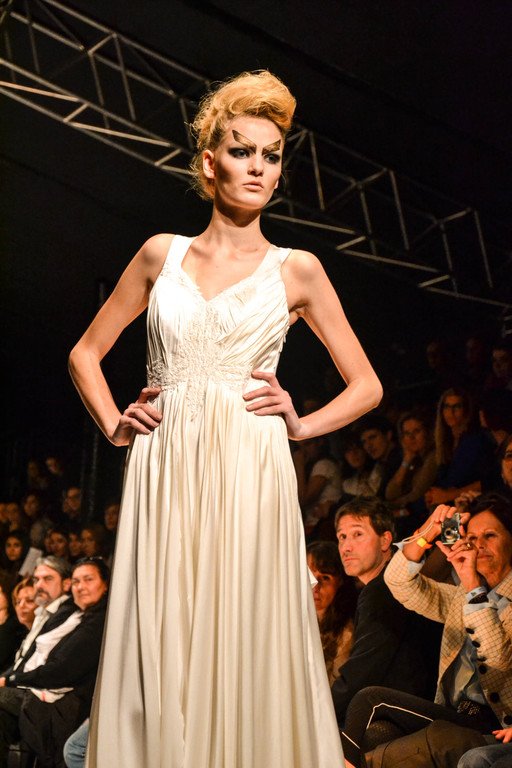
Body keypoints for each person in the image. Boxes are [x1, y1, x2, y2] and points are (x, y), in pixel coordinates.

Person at [68, 70, 382, 768]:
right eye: (243, 151)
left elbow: (367, 385)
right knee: (163, 632)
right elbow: (84, 354)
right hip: (165, 462)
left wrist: (301, 424)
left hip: (249, 463)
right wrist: (114, 425)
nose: (259, 168)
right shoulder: (161, 254)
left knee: (242, 627)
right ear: (210, 164)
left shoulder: (297, 269)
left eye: (271, 155)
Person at [341, 493, 512, 768]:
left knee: (371, 699)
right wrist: (427, 532)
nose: (478, 544)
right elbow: (399, 583)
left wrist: (472, 585)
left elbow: (497, 656)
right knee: (377, 733)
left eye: (489, 536)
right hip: (454, 714)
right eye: (471, 537)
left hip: (495, 723)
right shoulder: (460, 598)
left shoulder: (476, 593)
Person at [331, 497, 431, 729]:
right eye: (342, 537)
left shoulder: (383, 590)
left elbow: (361, 672)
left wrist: (317, 713)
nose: (346, 547)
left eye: (357, 534)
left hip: (406, 718)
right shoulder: (382, 587)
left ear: (385, 540)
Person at [17, 558, 109, 768]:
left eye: (88, 579)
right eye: (77, 581)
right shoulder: (81, 615)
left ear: (105, 584)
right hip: (60, 692)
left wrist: (13, 679)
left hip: (81, 698)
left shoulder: (94, 620)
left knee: (72, 748)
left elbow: (62, 668)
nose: (81, 586)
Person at [425, 387, 494, 507]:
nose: (450, 412)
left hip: (471, 505)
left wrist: (448, 495)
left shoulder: (475, 441)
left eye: (456, 407)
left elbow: (488, 480)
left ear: (466, 410)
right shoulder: (445, 442)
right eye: (447, 407)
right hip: (449, 506)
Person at [306, 541, 357, 684]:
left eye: (325, 578)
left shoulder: (345, 635)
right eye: (309, 576)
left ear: (340, 581)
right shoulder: (285, 621)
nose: (315, 587)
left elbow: (339, 686)